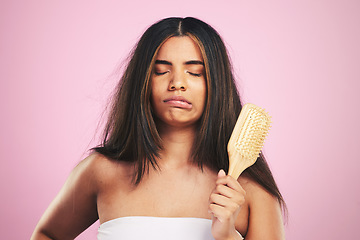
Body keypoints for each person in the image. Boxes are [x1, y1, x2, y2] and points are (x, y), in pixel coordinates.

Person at [31, 17, 286, 240]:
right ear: (143, 81)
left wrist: (228, 235)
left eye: (195, 73)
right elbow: (47, 235)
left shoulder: (252, 189)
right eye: (162, 71)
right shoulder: (101, 172)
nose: (177, 83)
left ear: (217, 85)